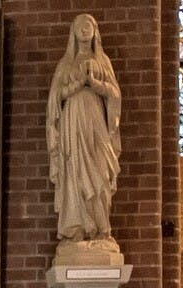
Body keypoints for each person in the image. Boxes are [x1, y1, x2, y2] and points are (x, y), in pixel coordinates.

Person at [46, 13, 121, 247]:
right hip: (73, 121)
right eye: (80, 25)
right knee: (74, 169)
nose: (85, 29)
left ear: (95, 31)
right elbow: (55, 98)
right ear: (73, 32)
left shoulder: (103, 61)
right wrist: (77, 85)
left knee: (100, 167)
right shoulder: (66, 64)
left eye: (89, 25)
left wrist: (95, 84)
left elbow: (115, 94)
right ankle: (76, 227)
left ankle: (100, 228)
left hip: (96, 119)